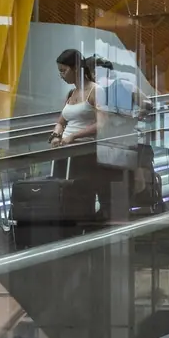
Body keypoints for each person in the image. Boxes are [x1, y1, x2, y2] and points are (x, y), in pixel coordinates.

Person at [49, 49, 110, 227]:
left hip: (85, 152)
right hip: (66, 151)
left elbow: (102, 124)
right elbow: (61, 121)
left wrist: (73, 136)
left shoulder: (96, 91)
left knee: (80, 194)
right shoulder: (71, 93)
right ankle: (67, 229)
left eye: (64, 70)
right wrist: (56, 135)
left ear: (76, 68)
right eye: (59, 71)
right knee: (63, 193)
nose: (61, 75)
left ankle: (83, 229)